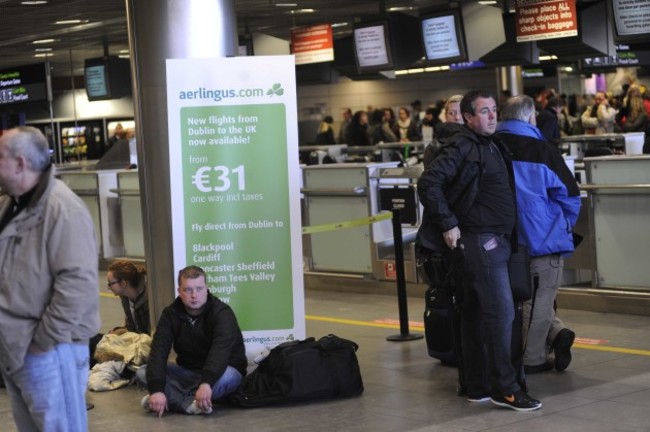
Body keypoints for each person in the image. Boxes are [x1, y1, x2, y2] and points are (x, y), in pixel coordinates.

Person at [417, 90, 541, 411]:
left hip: (494, 241)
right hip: (481, 243)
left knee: (474, 313)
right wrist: (447, 223)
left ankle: (477, 385)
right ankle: (506, 388)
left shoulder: (490, 143)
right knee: (501, 313)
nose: (491, 116)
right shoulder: (463, 145)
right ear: (469, 118)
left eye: (493, 110)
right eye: (484, 112)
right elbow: (429, 183)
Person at [0, 126, 100, 431]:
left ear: (20, 163)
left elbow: (78, 285)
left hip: (51, 350)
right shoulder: (13, 204)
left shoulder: (61, 209)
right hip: (18, 348)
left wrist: (42, 342)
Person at [495, 95, 581, 374]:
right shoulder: (542, 149)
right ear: (530, 117)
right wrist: (559, 224)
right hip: (542, 239)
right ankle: (533, 359)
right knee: (540, 299)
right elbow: (570, 196)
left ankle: (556, 334)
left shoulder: (489, 146)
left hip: (499, 239)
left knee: (513, 299)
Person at [139, 265, 247, 416]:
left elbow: (220, 352)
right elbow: (159, 350)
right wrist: (157, 389)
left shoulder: (222, 313)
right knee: (143, 372)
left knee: (229, 377)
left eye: (199, 289)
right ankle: (188, 403)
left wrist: (206, 382)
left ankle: (171, 397)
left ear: (206, 288)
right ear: (179, 292)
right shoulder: (170, 314)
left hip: (221, 372)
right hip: (188, 372)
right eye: (188, 290)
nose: (194, 295)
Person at [423, 94, 465, 167]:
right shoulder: (434, 147)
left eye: (461, 113)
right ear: (446, 116)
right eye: (452, 113)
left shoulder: (479, 142)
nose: (457, 117)